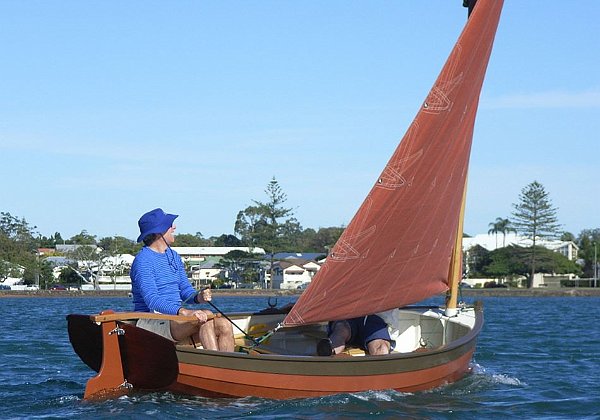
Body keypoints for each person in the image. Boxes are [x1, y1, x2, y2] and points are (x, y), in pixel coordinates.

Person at [130, 208, 234, 352]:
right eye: (169, 225)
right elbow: (152, 300)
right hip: (150, 320)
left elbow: (185, 290)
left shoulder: (174, 256)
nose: (174, 227)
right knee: (206, 316)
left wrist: (198, 297)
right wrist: (184, 312)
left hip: (175, 319)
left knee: (224, 324)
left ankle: (229, 367)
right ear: (158, 232)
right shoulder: (143, 261)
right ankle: (215, 366)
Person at [317, 313, 393, 356]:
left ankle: (379, 377)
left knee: (381, 347)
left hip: (376, 317)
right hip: (348, 313)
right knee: (341, 330)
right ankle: (329, 350)